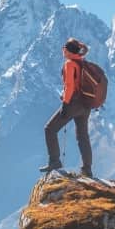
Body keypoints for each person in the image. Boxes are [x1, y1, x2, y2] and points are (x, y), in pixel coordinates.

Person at [40, 38, 93, 177]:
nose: (62, 50)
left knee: (50, 129)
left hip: (73, 103)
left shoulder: (69, 64)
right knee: (83, 136)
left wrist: (65, 103)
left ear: (68, 51)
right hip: (85, 104)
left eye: (64, 48)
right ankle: (87, 169)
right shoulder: (82, 61)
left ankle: (54, 161)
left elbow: (69, 86)